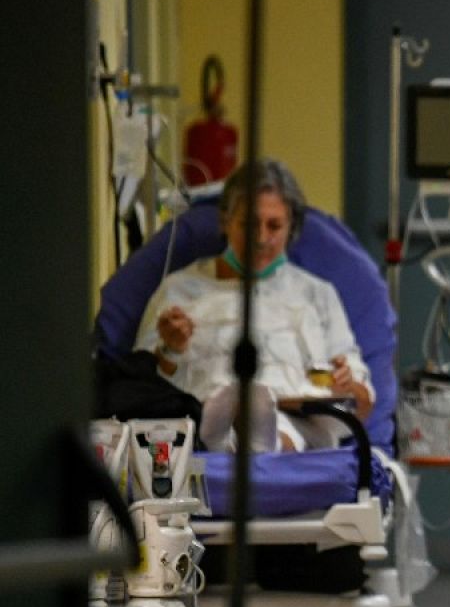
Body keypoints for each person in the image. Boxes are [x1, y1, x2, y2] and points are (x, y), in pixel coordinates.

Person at [135, 159, 374, 452]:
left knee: (282, 429)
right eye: (249, 224)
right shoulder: (180, 291)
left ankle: (259, 441)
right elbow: (138, 386)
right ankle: (236, 436)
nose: (261, 238)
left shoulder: (316, 295)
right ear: (225, 221)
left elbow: (361, 400)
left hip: (292, 421)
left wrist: (347, 384)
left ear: (291, 228)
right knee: (212, 419)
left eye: (274, 226)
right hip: (199, 416)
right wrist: (170, 350)